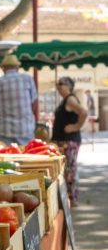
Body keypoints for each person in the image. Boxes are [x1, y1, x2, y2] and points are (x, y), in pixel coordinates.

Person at [52, 76, 87, 205]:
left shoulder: (70, 99)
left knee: (69, 170)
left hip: (69, 141)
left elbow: (83, 112)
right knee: (66, 170)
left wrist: (75, 127)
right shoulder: (66, 100)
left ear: (69, 86)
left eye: (61, 84)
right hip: (64, 141)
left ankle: (72, 198)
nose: (58, 87)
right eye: (57, 84)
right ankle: (68, 198)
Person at [0, 54, 38, 146]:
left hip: (4, 129)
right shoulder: (28, 79)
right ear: (17, 67)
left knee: (5, 157)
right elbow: (34, 102)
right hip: (25, 128)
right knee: (26, 156)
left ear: (3, 68)